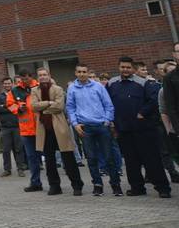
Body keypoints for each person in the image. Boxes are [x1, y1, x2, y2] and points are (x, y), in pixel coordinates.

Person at [108, 56, 171, 198]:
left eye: (128, 67)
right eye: (122, 67)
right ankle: (137, 188)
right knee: (131, 161)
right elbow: (108, 103)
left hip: (143, 129)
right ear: (118, 67)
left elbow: (153, 100)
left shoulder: (143, 83)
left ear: (133, 69)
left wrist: (142, 113)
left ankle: (163, 188)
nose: (125, 70)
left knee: (152, 159)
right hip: (124, 129)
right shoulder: (112, 83)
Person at [66, 63, 121, 196]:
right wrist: (75, 124)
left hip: (102, 126)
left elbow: (108, 105)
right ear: (75, 73)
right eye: (79, 72)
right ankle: (97, 184)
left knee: (109, 157)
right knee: (91, 159)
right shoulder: (72, 89)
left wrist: (107, 121)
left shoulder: (97, 86)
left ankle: (115, 184)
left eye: (84, 72)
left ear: (87, 72)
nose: (82, 74)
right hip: (85, 128)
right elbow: (70, 108)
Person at [31, 67, 84, 196]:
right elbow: (33, 106)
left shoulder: (58, 89)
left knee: (68, 158)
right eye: (40, 75)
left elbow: (59, 107)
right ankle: (54, 186)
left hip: (59, 128)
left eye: (45, 74)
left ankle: (77, 185)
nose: (42, 77)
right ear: (38, 78)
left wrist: (42, 108)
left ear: (49, 75)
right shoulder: (34, 90)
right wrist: (49, 103)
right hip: (45, 129)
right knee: (49, 160)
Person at [9, 72, 44, 192]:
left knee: (48, 156)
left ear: (31, 77)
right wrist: (18, 109)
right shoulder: (15, 91)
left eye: (27, 77)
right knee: (32, 158)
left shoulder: (39, 87)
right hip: (26, 129)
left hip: (42, 126)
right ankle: (35, 183)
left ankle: (54, 182)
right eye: (23, 78)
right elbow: (10, 105)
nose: (25, 80)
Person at [0, 77, 26, 177]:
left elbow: (22, 108)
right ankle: (7, 170)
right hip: (5, 127)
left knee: (18, 148)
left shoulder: (17, 94)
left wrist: (5, 106)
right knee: (5, 149)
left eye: (9, 83)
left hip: (17, 125)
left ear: (12, 84)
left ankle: (20, 168)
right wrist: (13, 107)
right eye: (5, 83)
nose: (7, 85)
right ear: (2, 85)